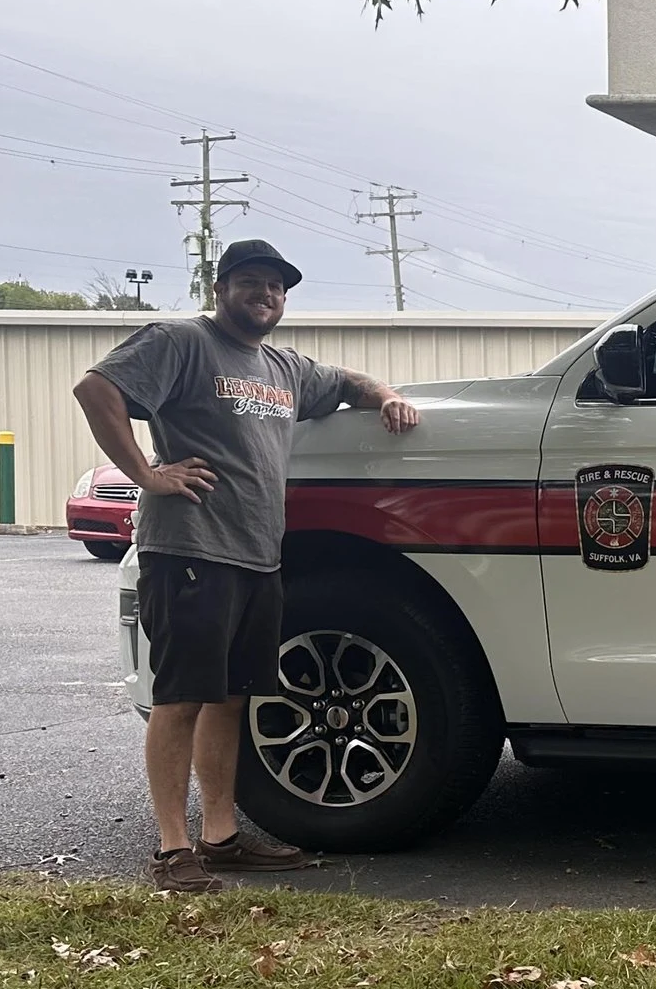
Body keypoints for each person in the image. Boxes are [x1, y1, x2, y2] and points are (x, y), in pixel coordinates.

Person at [73, 240, 420, 892]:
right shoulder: (180, 342)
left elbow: (346, 383)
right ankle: (174, 848)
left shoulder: (283, 368)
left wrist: (389, 396)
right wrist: (147, 473)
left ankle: (222, 836)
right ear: (221, 286)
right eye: (253, 283)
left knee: (231, 698)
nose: (267, 295)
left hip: (258, 555)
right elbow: (96, 389)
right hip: (190, 551)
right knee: (179, 697)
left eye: (278, 288)